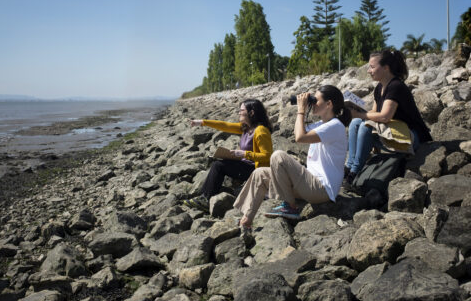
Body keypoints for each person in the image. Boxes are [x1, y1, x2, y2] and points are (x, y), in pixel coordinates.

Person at [233, 85, 351, 230]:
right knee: (260, 173)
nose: (313, 103)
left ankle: (290, 207)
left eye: (316, 100)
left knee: (278, 156)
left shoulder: (335, 126)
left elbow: (300, 137)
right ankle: (246, 220)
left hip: (321, 189)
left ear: (329, 104)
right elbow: (298, 132)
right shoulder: (322, 124)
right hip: (309, 184)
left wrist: (301, 110)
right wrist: (301, 110)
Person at [345, 50, 432, 183]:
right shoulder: (379, 88)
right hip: (394, 131)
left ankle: (354, 172)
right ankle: (349, 166)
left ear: (386, 68)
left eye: (372, 67)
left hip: (411, 138)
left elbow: (385, 117)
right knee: (355, 122)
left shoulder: (396, 86)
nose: (369, 70)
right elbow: (374, 112)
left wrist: (358, 114)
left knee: (364, 125)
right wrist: (356, 112)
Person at [184, 99, 273, 212]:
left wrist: (245, 154)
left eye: (241, 110)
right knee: (219, 162)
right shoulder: (246, 127)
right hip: (246, 166)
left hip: (256, 171)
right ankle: (205, 196)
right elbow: (225, 125)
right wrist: (202, 122)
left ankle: (206, 199)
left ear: (251, 113)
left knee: (219, 165)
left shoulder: (261, 131)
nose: (239, 113)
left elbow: (268, 156)